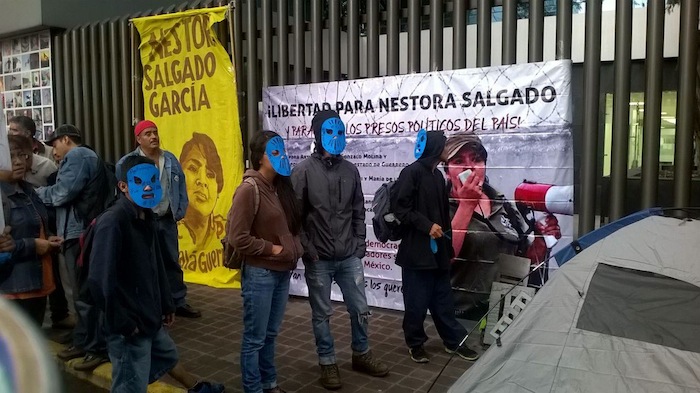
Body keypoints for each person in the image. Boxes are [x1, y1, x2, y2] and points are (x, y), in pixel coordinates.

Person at [88, 155, 224, 393]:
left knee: (167, 355)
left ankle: (196, 387)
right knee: (131, 384)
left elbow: (156, 265)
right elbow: (99, 281)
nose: (149, 186)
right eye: (140, 181)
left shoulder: (147, 217)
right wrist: (125, 323)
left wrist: (167, 303)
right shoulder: (113, 222)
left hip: (149, 315)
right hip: (129, 325)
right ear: (123, 186)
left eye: (153, 180)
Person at [291, 110, 389, 390]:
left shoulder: (351, 171)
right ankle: (327, 362)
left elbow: (359, 210)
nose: (335, 138)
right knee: (321, 314)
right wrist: (308, 249)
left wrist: (360, 244)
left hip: (349, 256)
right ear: (318, 135)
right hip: (319, 258)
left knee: (360, 308)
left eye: (340, 132)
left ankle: (361, 354)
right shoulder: (303, 172)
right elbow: (295, 216)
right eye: (329, 132)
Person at [443, 132, 561, 321]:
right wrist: (466, 205)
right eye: (458, 161)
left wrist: (540, 241)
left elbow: (521, 260)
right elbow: (442, 260)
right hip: (461, 318)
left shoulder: (503, 204)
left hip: (503, 313)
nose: (470, 167)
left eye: (476, 159)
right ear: (447, 172)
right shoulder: (438, 207)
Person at [390, 130, 480, 364]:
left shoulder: (438, 177)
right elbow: (402, 209)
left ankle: (454, 342)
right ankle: (416, 344)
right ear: (434, 148)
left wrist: (448, 247)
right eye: (443, 146)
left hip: (438, 253)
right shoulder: (411, 173)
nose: (446, 150)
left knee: (443, 302)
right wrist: (427, 226)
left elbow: (443, 215)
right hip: (416, 253)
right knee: (416, 305)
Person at [227, 131, 303, 393]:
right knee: (255, 339)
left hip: (282, 272)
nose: (281, 155)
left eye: (282, 150)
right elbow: (237, 237)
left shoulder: (281, 187)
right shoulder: (249, 190)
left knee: (270, 335)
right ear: (260, 157)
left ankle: (269, 383)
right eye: (274, 151)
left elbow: (291, 226)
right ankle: (253, 388)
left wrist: (296, 247)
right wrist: (272, 248)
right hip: (260, 274)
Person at [36, 124, 109, 371]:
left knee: (86, 294)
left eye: (55, 144)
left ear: (66, 140)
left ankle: (96, 347)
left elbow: (62, 193)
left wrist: (36, 193)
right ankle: (85, 341)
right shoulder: (84, 156)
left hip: (80, 234)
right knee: (80, 294)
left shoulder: (78, 155)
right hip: (76, 233)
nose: (53, 151)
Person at [116, 120, 201, 319]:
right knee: (146, 262)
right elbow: (122, 191)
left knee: (171, 261)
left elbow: (180, 186)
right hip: (142, 220)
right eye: (147, 134)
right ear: (138, 139)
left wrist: (179, 210)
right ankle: (153, 304)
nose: (153, 136)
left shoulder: (169, 159)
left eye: (155, 132)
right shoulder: (127, 163)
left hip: (166, 219)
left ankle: (177, 301)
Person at [0, 135, 61, 326]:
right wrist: (32, 245)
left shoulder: (28, 190)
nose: (18, 162)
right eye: (11, 157)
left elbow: (36, 226)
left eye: (23, 156)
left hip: (37, 283)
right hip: (13, 289)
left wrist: (49, 238)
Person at [178, 132, 226, 253]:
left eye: (210, 175)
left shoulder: (226, 232)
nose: (202, 181)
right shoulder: (170, 231)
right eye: (193, 169)